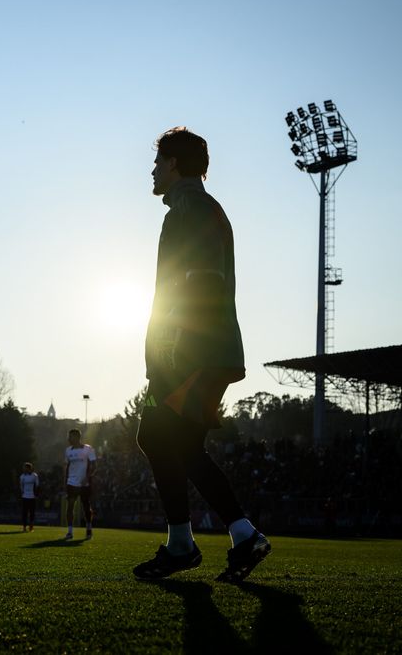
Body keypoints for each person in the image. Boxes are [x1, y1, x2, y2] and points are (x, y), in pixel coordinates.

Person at [134, 126, 271, 582]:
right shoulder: (196, 208)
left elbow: (202, 280)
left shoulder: (191, 209)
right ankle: (225, 538)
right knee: (167, 440)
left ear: (174, 163)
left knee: (165, 438)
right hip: (200, 349)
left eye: (158, 161)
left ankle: (195, 544)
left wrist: (173, 345)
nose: (152, 170)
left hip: (192, 352)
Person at [64, 429, 96, 540]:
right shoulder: (68, 450)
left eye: (71, 436)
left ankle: (88, 528)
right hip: (71, 483)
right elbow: (67, 466)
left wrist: (87, 478)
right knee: (70, 506)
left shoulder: (88, 449)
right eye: (68, 436)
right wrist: (65, 480)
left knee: (86, 506)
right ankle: (70, 531)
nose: (69, 438)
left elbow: (94, 466)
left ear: (77, 437)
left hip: (84, 483)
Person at [19, 462, 41, 532]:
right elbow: (21, 486)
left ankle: (31, 526)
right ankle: (24, 527)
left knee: (32, 512)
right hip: (25, 496)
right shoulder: (22, 476)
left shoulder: (34, 475)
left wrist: (36, 495)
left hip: (32, 497)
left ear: (29, 468)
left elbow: (37, 485)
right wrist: (22, 493)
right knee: (24, 512)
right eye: (24, 468)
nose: (24, 469)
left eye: (26, 468)